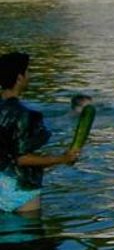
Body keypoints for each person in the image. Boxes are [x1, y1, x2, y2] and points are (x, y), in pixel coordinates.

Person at [0, 52, 80, 214]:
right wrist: (62, 159)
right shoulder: (25, 114)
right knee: (28, 228)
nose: (29, 75)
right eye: (27, 71)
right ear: (19, 77)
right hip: (21, 188)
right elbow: (22, 158)